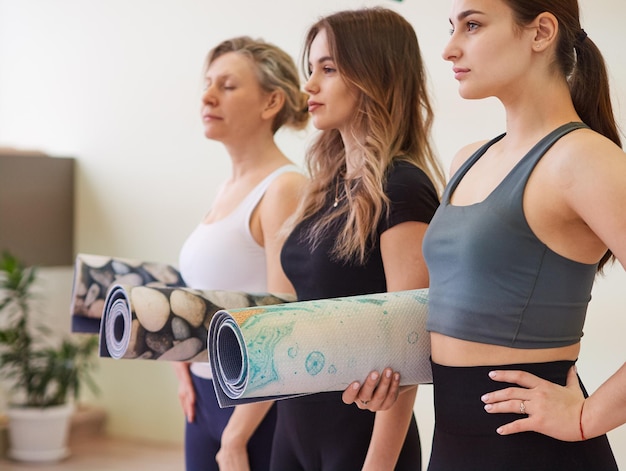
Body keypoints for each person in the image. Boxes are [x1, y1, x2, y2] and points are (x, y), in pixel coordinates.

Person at [346, 0, 626, 469]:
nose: (449, 49)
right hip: (452, 447)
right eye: (452, 27)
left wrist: (588, 416)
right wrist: (388, 376)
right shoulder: (467, 160)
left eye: (472, 25)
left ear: (540, 32)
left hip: (534, 452)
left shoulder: (582, 160)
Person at [272, 7, 445, 471]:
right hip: (293, 426)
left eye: (328, 69)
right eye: (312, 69)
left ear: (375, 76)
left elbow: (408, 348)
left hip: (361, 439)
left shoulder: (403, 187)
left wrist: (377, 466)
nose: (309, 85)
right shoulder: (324, 186)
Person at [173, 36, 309, 471]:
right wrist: (181, 368)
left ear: (272, 102)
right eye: (208, 84)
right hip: (203, 398)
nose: (207, 96)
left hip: (253, 411)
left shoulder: (284, 188)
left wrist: (237, 434)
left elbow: (283, 318)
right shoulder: (225, 189)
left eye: (228, 86)